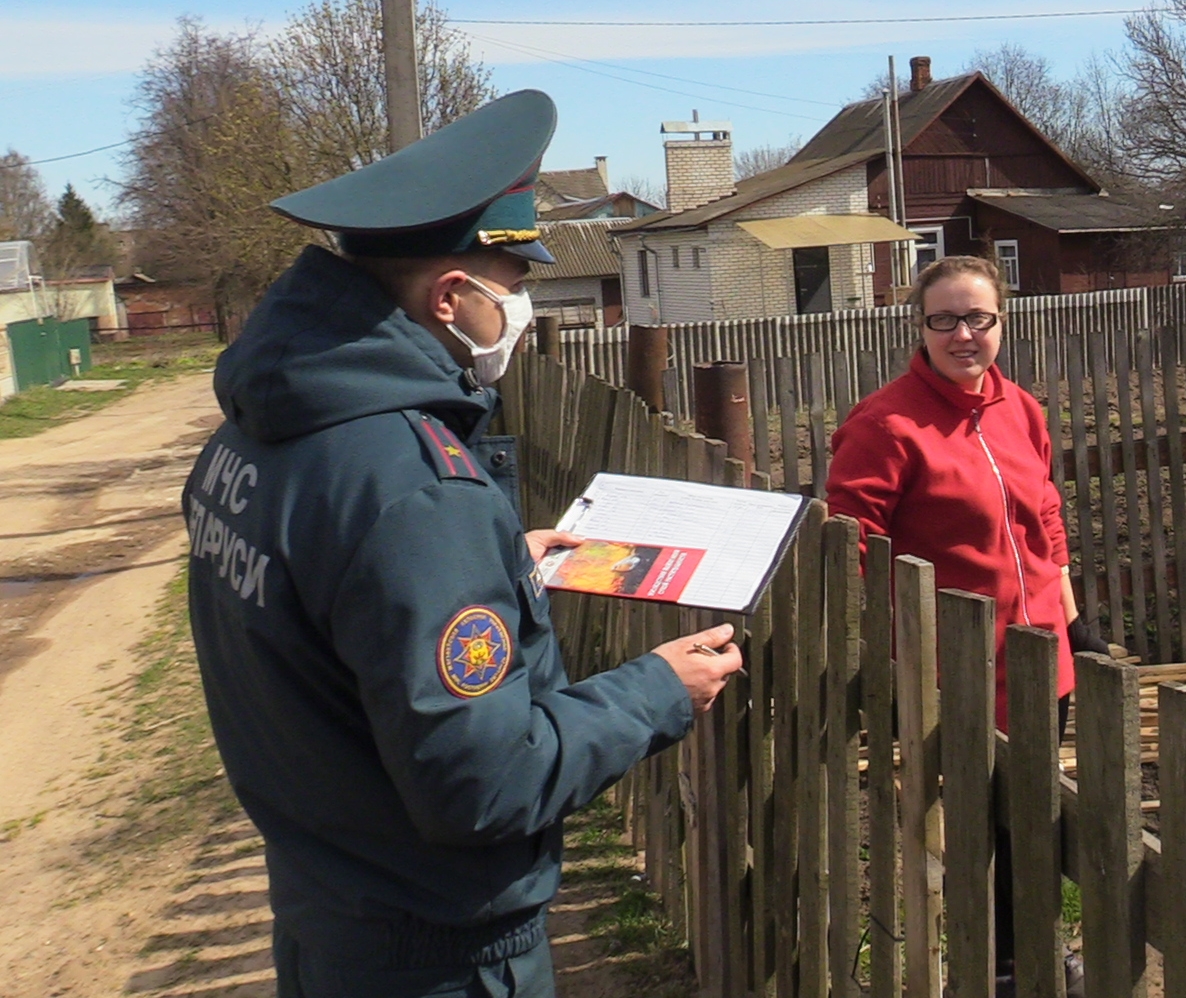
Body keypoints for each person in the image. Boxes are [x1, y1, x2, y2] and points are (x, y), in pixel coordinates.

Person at [182, 89, 740, 998]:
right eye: (514, 287)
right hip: (433, 952)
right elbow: (483, 784)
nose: (519, 308)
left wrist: (485, 569)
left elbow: (322, 603)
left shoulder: (255, 431)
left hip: (330, 898)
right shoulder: (413, 490)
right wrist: (653, 693)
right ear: (451, 297)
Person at [825, 254, 1095, 995]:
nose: (963, 334)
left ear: (1002, 323)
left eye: (979, 318)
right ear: (920, 326)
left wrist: (1077, 626)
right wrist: (893, 652)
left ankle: (1036, 949)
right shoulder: (886, 424)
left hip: (1045, 663)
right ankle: (999, 966)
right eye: (944, 319)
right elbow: (852, 547)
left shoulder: (1022, 410)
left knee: (1033, 819)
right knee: (983, 828)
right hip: (960, 673)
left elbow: (1045, 520)